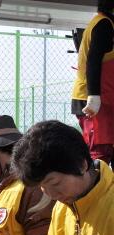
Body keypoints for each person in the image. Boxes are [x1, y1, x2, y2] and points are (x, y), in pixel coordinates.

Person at [71, 0, 114, 165]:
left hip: (105, 101)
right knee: (100, 153)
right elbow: (93, 61)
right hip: (93, 102)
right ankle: (95, 190)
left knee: (107, 149)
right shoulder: (103, 24)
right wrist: (93, 96)